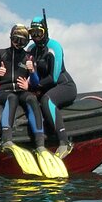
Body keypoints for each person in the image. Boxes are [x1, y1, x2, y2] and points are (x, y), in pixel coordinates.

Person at [26, 15, 77, 159]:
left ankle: (64, 142)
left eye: (39, 33)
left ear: (45, 31)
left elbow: (53, 78)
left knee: (46, 100)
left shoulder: (54, 47)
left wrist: (34, 86)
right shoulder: (31, 49)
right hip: (42, 87)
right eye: (32, 33)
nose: (35, 37)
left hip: (63, 85)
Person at [0, 24, 45, 150]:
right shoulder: (1, 53)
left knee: (31, 98)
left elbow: (35, 83)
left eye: (22, 41)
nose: (19, 43)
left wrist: (32, 71)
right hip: (4, 91)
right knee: (12, 98)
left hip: (21, 91)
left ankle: (40, 143)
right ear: (11, 38)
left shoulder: (29, 57)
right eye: (16, 40)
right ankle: (6, 140)